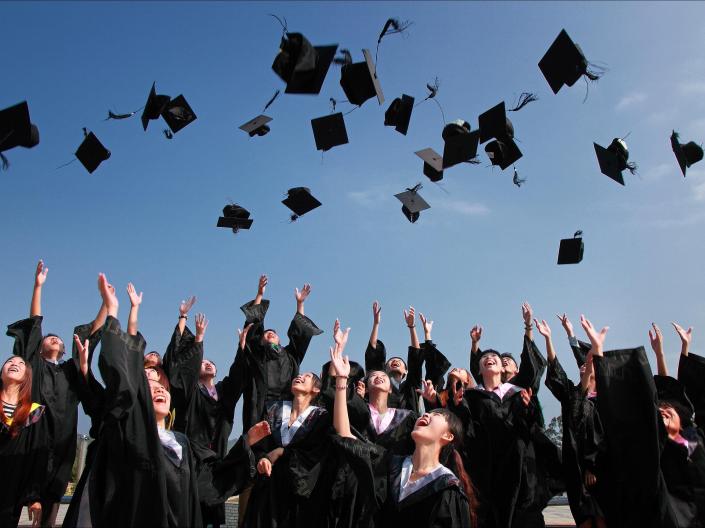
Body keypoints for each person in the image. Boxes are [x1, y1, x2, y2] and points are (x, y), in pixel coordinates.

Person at [67, 273, 265, 528]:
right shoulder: (130, 432)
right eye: (148, 385)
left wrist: (246, 443)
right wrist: (115, 312)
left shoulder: (180, 444)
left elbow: (203, 491)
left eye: (161, 385)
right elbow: (124, 375)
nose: (159, 389)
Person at [330, 322, 475, 527]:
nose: (425, 416)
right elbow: (346, 434)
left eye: (436, 415)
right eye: (427, 414)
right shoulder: (391, 465)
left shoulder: (448, 488)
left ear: (448, 435)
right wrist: (341, 379)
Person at [5, 261, 85, 528]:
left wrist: (108, 308)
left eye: (58, 339)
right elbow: (35, 324)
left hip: (60, 441)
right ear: (38, 348)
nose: (54, 339)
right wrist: (38, 287)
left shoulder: (68, 371)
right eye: (48, 338)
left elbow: (89, 344)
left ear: (64, 350)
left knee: (50, 508)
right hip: (28, 439)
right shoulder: (34, 368)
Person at [162, 296, 244, 528]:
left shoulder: (223, 392)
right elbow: (178, 364)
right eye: (203, 361)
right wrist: (191, 330)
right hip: (190, 454)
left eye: (212, 363)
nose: (207, 364)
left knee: (211, 509)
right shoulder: (190, 390)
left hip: (214, 454)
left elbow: (238, 376)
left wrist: (241, 347)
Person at [539, 318, 606, 528]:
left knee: (603, 516)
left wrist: (593, 465)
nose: (584, 366)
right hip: (575, 468)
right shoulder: (572, 395)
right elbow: (556, 370)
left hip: (601, 467)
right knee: (584, 518)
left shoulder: (606, 398)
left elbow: (605, 435)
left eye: (588, 363)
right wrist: (549, 339)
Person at [244, 367, 331, 527]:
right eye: (299, 375)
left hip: (300, 489)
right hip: (268, 486)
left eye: (307, 376)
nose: (300, 376)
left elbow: (316, 453)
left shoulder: (321, 417)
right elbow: (259, 443)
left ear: (316, 389)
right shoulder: (273, 409)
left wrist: (283, 452)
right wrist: (262, 458)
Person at [0, 356, 51, 528]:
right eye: (10, 362)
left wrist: (34, 496)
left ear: (27, 377)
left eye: (21, 363)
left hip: (10, 491)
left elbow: (38, 456)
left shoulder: (34, 413)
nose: (14, 364)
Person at [365, 303, 424, 412]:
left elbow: (416, 357)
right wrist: (376, 324)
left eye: (400, 361)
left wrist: (412, 327)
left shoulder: (410, 386)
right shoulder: (378, 383)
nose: (395, 360)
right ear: (385, 369)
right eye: (391, 361)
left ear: (406, 371)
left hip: (407, 427)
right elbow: (372, 357)